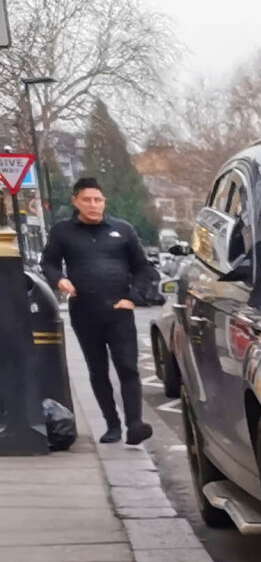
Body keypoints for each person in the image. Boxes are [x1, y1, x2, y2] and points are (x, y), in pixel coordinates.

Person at [40, 177, 155, 446]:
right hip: (85, 311)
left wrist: (133, 297)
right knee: (97, 369)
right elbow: (49, 262)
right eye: (87, 200)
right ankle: (112, 424)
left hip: (119, 311)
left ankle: (134, 424)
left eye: (98, 200)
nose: (94, 205)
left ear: (104, 201)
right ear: (76, 201)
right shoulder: (63, 232)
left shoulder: (122, 230)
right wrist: (59, 280)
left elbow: (142, 268)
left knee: (128, 367)